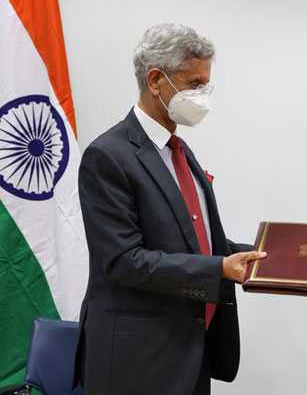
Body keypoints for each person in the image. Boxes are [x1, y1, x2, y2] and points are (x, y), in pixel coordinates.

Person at [73, 23, 266, 395]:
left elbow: (195, 242)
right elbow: (124, 260)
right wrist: (219, 269)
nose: (202, 96)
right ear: (156, 80)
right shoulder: (108, 156)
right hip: (137, 361)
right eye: (194, 84)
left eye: (206, 85)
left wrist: (268, 258)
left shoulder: (179, 150)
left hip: (191, 350)